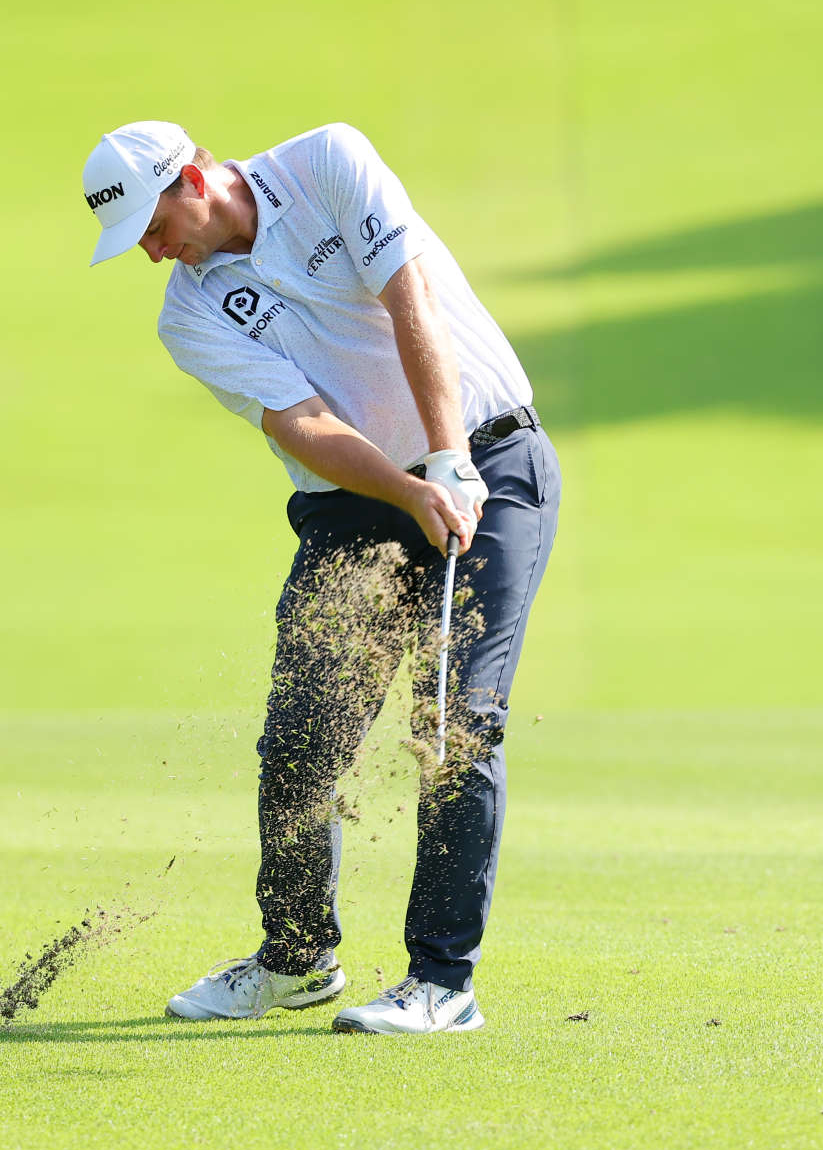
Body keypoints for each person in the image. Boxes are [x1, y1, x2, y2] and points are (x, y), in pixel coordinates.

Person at [80, 120, 559, 1035]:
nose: (152, 253)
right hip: (358, 501)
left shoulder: (327, 161)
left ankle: (441, 983)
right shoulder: (187, 315)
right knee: (302, 740)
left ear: (192, 175)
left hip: (490, 460)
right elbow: (301, 423)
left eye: (151, 225)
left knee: (456, 724)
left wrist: (449, 457)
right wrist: (409, 487)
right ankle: (297, 958)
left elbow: (407, 287)